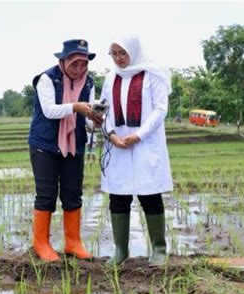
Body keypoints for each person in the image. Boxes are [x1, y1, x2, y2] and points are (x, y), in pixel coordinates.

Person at [99, 35, 173, 266]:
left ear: (133, 51)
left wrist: (138, 134)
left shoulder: (153, 74)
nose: (119, 59)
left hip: (145, 144)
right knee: (118, 197)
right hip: (117, 144)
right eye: (114, 53)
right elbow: (103, 111)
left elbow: (160, 109)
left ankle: (159, 249)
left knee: (150, 195)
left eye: (123, 53)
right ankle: (121, 250)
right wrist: (111, 134)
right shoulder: (110, 78)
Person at [28, 39, 102, 262]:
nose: (79, 69)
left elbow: (86, 121)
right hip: (45, 144)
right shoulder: (47, 79)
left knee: (72, 193)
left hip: (74, 144)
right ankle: (41, 243)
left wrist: (95, 121)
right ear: (63, 60)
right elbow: (49, 110)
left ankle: (73, 243)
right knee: (46, 194)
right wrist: (76, 107)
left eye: (83, 64)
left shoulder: (88, 83)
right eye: (75, 63)